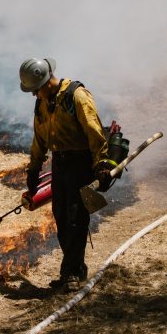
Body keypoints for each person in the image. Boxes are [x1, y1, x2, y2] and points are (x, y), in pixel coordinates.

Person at [20, 57, 112, 292]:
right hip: (60, 164)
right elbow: (40, 137)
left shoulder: (77, 96)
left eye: (34, 90)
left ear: (45, 82)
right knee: (61, 216)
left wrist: (101, 163)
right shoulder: (42, 103)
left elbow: (94, 131)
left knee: (75, 218)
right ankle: (75, 268)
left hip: (80, 163)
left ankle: (71, 273)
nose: (33, 95)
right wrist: (34, 168)